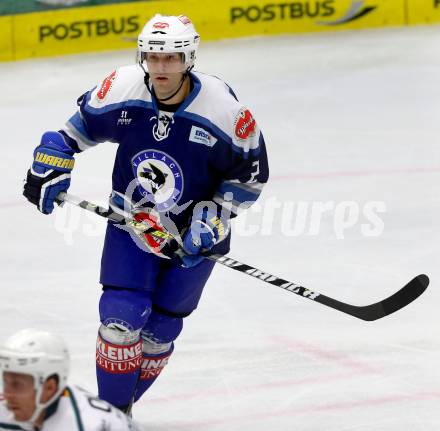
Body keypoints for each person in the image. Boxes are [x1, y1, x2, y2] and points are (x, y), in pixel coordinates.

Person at [23, 13, 269, 412]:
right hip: (133, 224)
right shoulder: (123, 88)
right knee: (120, 322)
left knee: (161, 329)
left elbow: (249, 178)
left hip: (196, 230)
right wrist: (54, 155)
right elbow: (73, 131)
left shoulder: (224, 112)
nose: (160, 68)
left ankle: (119, 411)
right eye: (152, 58)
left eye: (170, 58)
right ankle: (114, 416)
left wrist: (215, 216)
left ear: (189, 57)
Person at [0, 328, 143, 430]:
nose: (7, 394)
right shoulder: (8, 408)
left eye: (17, 385)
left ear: (49, 387)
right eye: (5, 382)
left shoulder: (90, 424)